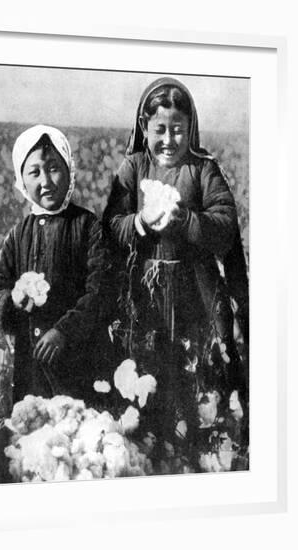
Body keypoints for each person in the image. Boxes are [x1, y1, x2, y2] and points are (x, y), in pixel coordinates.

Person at [102, 77, 249, 468]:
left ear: (191, 129)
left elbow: (226, 225)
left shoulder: (203, 170)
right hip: (143, 295)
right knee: (146, 378)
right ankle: (152, 451)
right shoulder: (132, 167)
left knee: (197, 377)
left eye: (178, 130)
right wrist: (138, 221)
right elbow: (110, 225)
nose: (169, 139)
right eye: (160, 129)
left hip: (193, 296)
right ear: (144, 127)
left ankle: (199, 454)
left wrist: (186, 220)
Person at [0, 125, 108, 405]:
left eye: (54, 168)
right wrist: (14, 299)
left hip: (79, 364)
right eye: (34, 172)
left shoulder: (87, 226)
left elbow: (101, 291)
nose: (46, 181)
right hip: (32, 368)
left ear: (68, 170)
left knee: (76, 434)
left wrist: (64, 331)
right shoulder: (19, 234)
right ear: (21, 181)